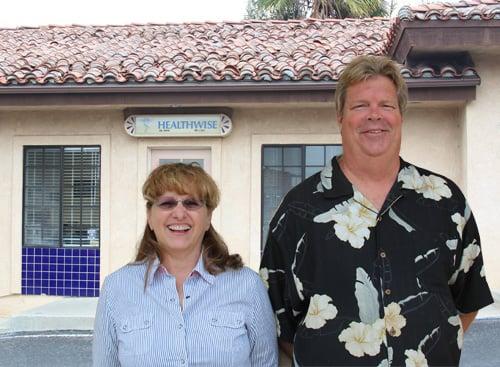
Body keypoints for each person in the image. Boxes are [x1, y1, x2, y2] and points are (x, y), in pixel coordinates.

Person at [260, 55, 493, 366]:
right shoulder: (298, 211)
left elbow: (467, 302)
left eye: (386, 105)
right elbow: (278, 323)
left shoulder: (445, 201)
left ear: (400, 116)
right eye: (360, 106)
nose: (375, 116)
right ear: (340, 117)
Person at [93, 163, 278, 367]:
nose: (179, 213)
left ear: (208, 217)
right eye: (167, 203)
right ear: (150, 217)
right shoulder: (116, 288)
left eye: (191, 203)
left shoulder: (247, 285)